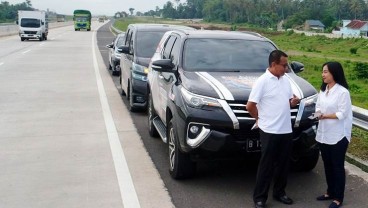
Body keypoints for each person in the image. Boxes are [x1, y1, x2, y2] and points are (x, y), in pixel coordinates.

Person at [246, 50, 299, 208]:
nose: (286, 69)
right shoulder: (262, 81)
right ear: (273, 64)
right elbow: (250, 106)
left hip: (285, 129)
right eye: (284, 65)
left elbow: (287, 101)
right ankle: (260, 198)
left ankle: (280, 193)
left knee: (283, 164)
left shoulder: (285, 80)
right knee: (266, 165)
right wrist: (259, 119)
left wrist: (293, 102)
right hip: (269, 130)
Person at [315, 62, 352, 208]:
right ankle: (330, 192)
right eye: (322, 72)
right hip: (324, 134)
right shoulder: (323, 90)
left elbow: (342, 114)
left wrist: (325, 116)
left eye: (326, 72)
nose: (323, 75)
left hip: (338, 136)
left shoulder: (343, 92)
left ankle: (338, 198)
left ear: (334, 73)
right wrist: (317, 114)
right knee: (327, 165)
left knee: (337, 167)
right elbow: (318, 106)